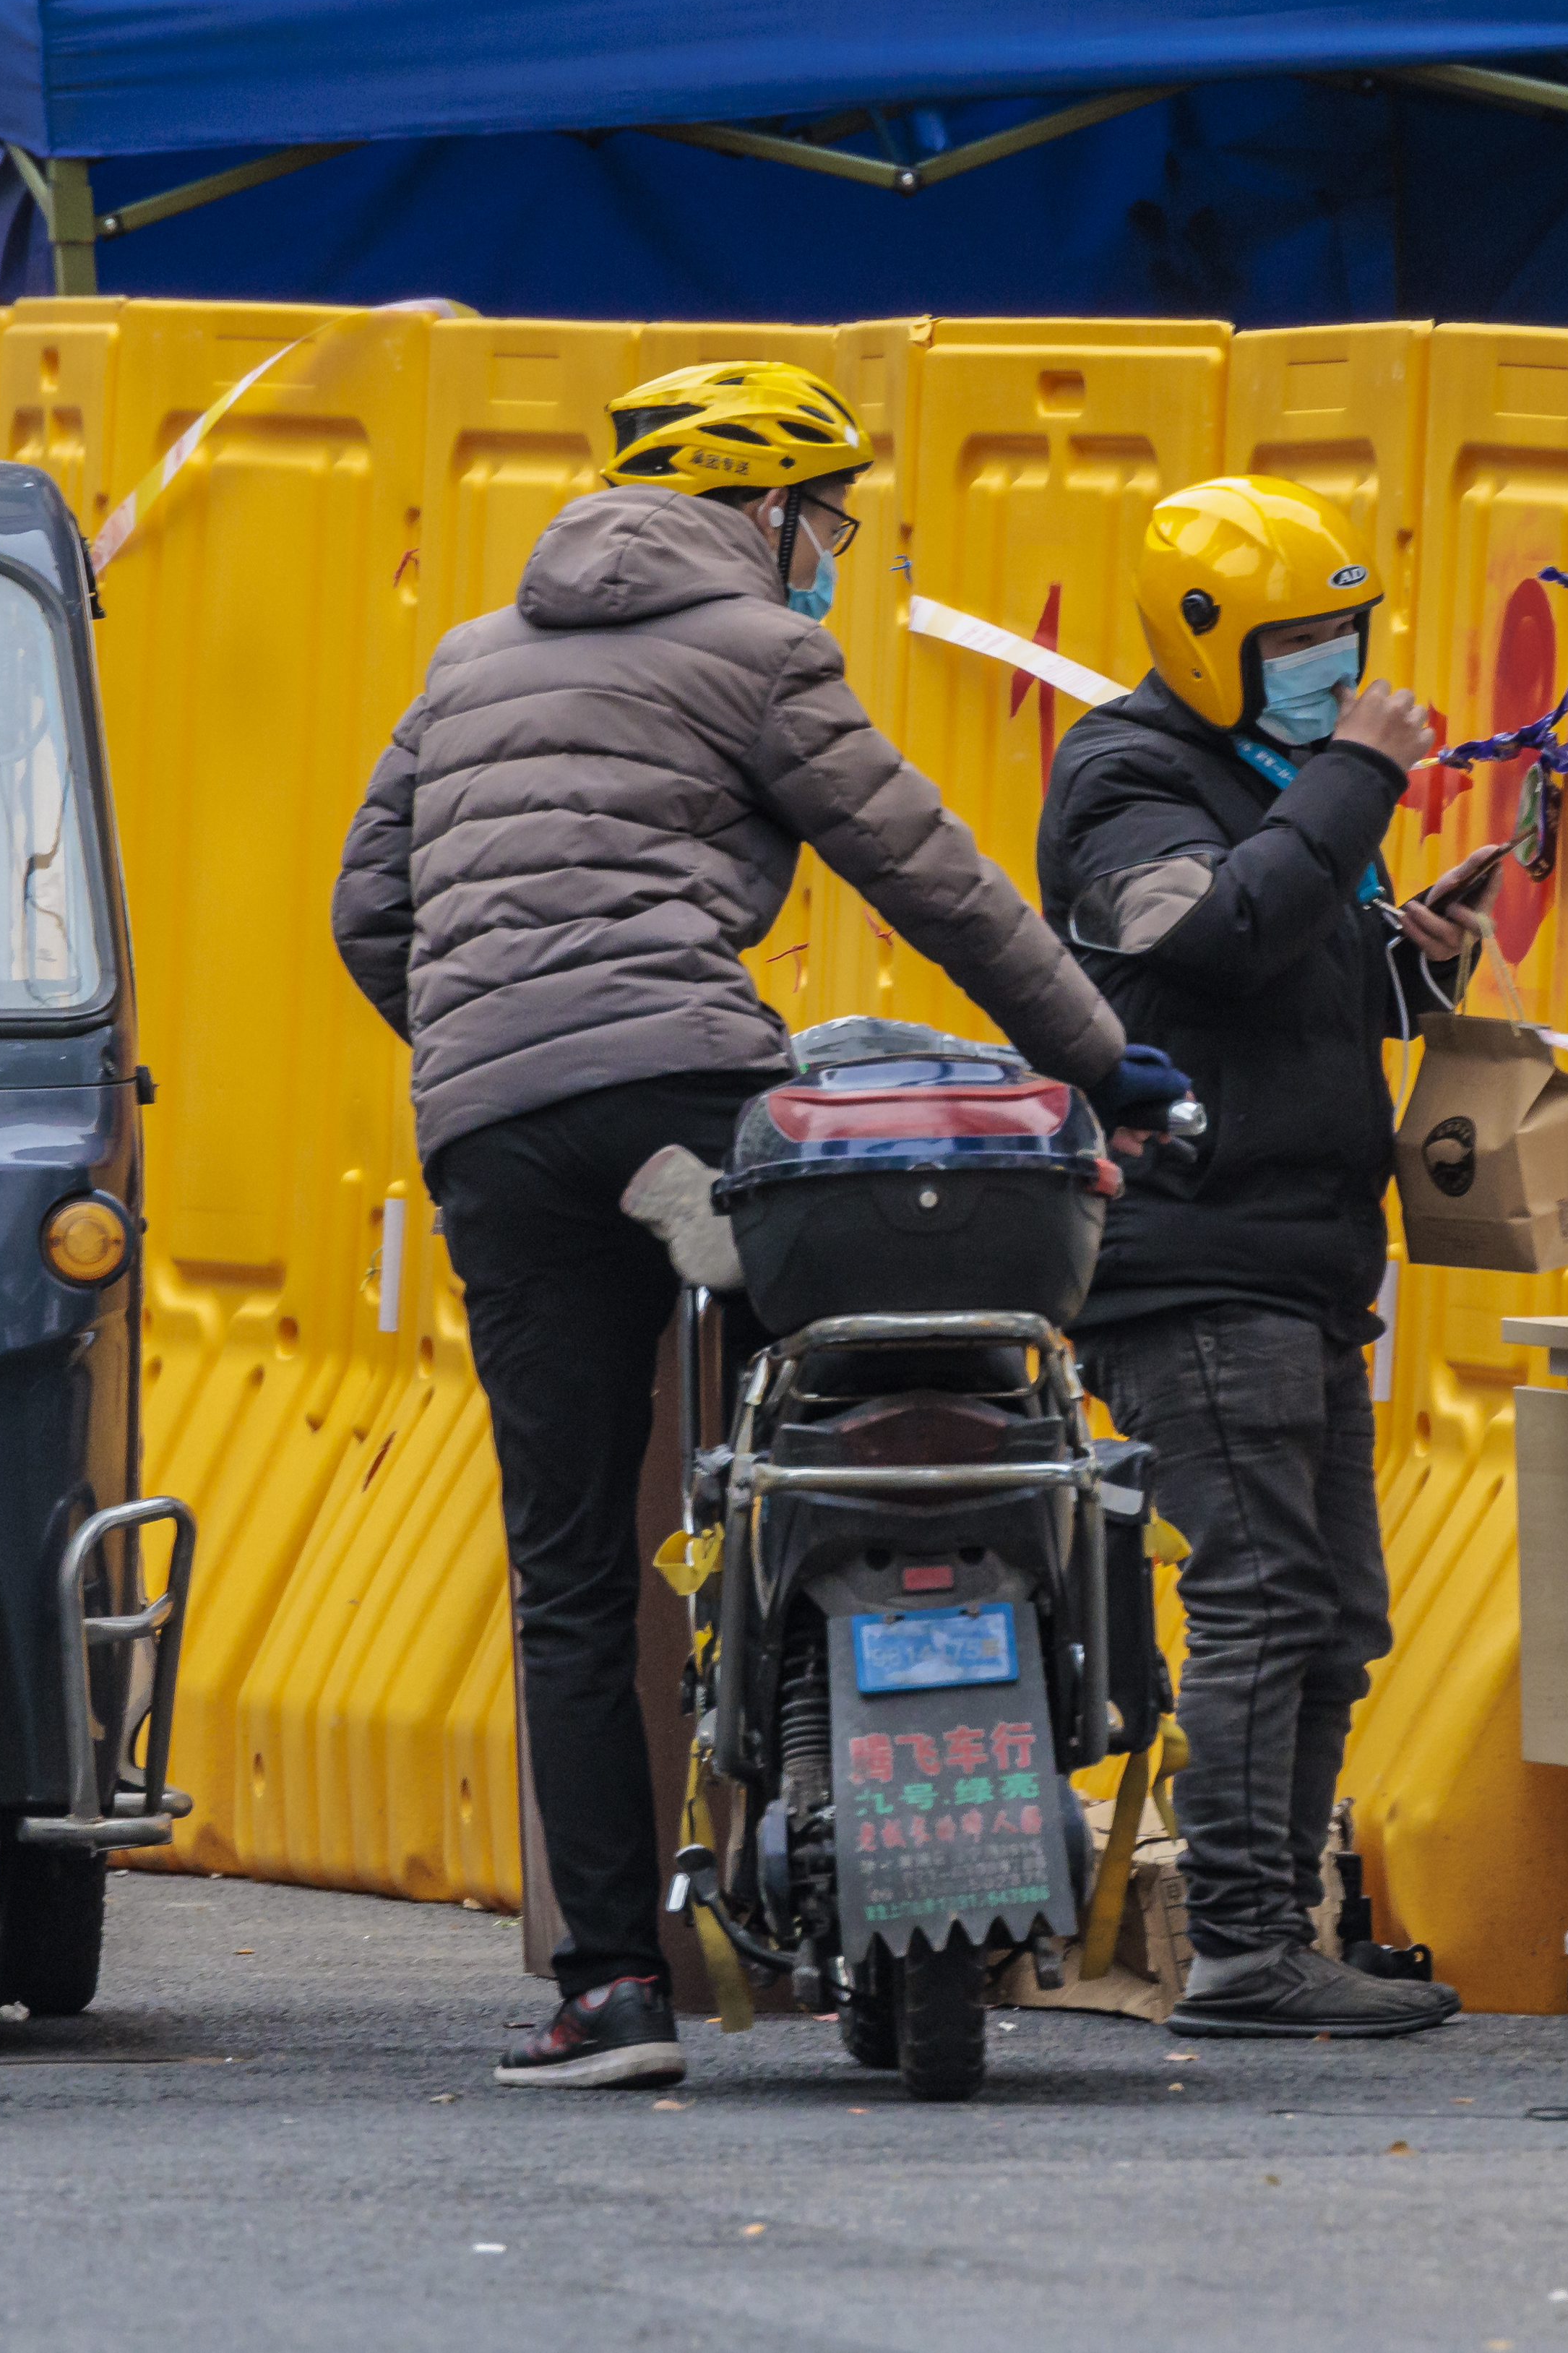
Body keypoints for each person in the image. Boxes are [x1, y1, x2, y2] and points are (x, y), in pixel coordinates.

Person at [332, 358, 1187, 2094]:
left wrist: (491, 1051)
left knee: (569, 1557)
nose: (837, 555)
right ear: (766, 509)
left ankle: (608, 1990)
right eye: (833, 523)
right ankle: (843, 1791)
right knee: (806, 1426)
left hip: (496, 1131)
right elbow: (928, 871)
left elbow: (369, 911)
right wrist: (1110, 1065)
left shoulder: (468, 658)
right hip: (678, 1107)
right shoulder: (759, 651)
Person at [1034, 476, 1499, 2042]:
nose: (1329, 664)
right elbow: (1206, 941)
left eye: (1345, 635)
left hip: (1296, 1261)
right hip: (1191, 1257)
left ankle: (1274, 1925)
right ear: (1206, 637)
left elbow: (1283, 975)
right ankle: (1240, 1945)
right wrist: (1361, 776)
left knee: (1329, 1608)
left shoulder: (1263, 776)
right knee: (1256, 1592)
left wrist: (1407, 955)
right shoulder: (1123, 776)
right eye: (1298, 639)